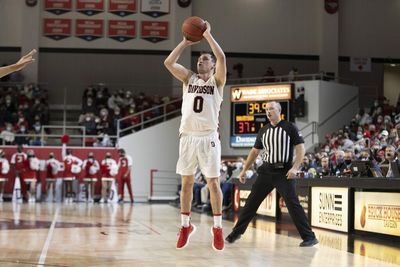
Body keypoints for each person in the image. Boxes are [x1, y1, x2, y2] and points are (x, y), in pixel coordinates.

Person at [164, 21, 226, 251]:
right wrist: (184, 42)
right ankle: (185, 226)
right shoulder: (188, 78)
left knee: (212, 182)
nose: (201, 60)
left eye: (205, 59)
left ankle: (217, 229)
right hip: (187, 137)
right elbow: (168, 62)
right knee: (187, 182)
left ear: (211, 65)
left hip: (208, 137)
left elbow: (222, 58)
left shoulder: (217, 81)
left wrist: (208, 35)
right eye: (199, 59)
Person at [225, 101, 318, 247]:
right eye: (266, 109)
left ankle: (309, 237)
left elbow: (301, 148)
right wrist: (244, 170)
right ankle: (236, 233)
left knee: (293, 204)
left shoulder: (289, 127)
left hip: (284, 172)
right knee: (250, 203)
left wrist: (295, 168)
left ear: (279, 111)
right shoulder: (263, 130)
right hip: (266, 172)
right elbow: (255, 152)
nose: (268, 111)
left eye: (271, 108)